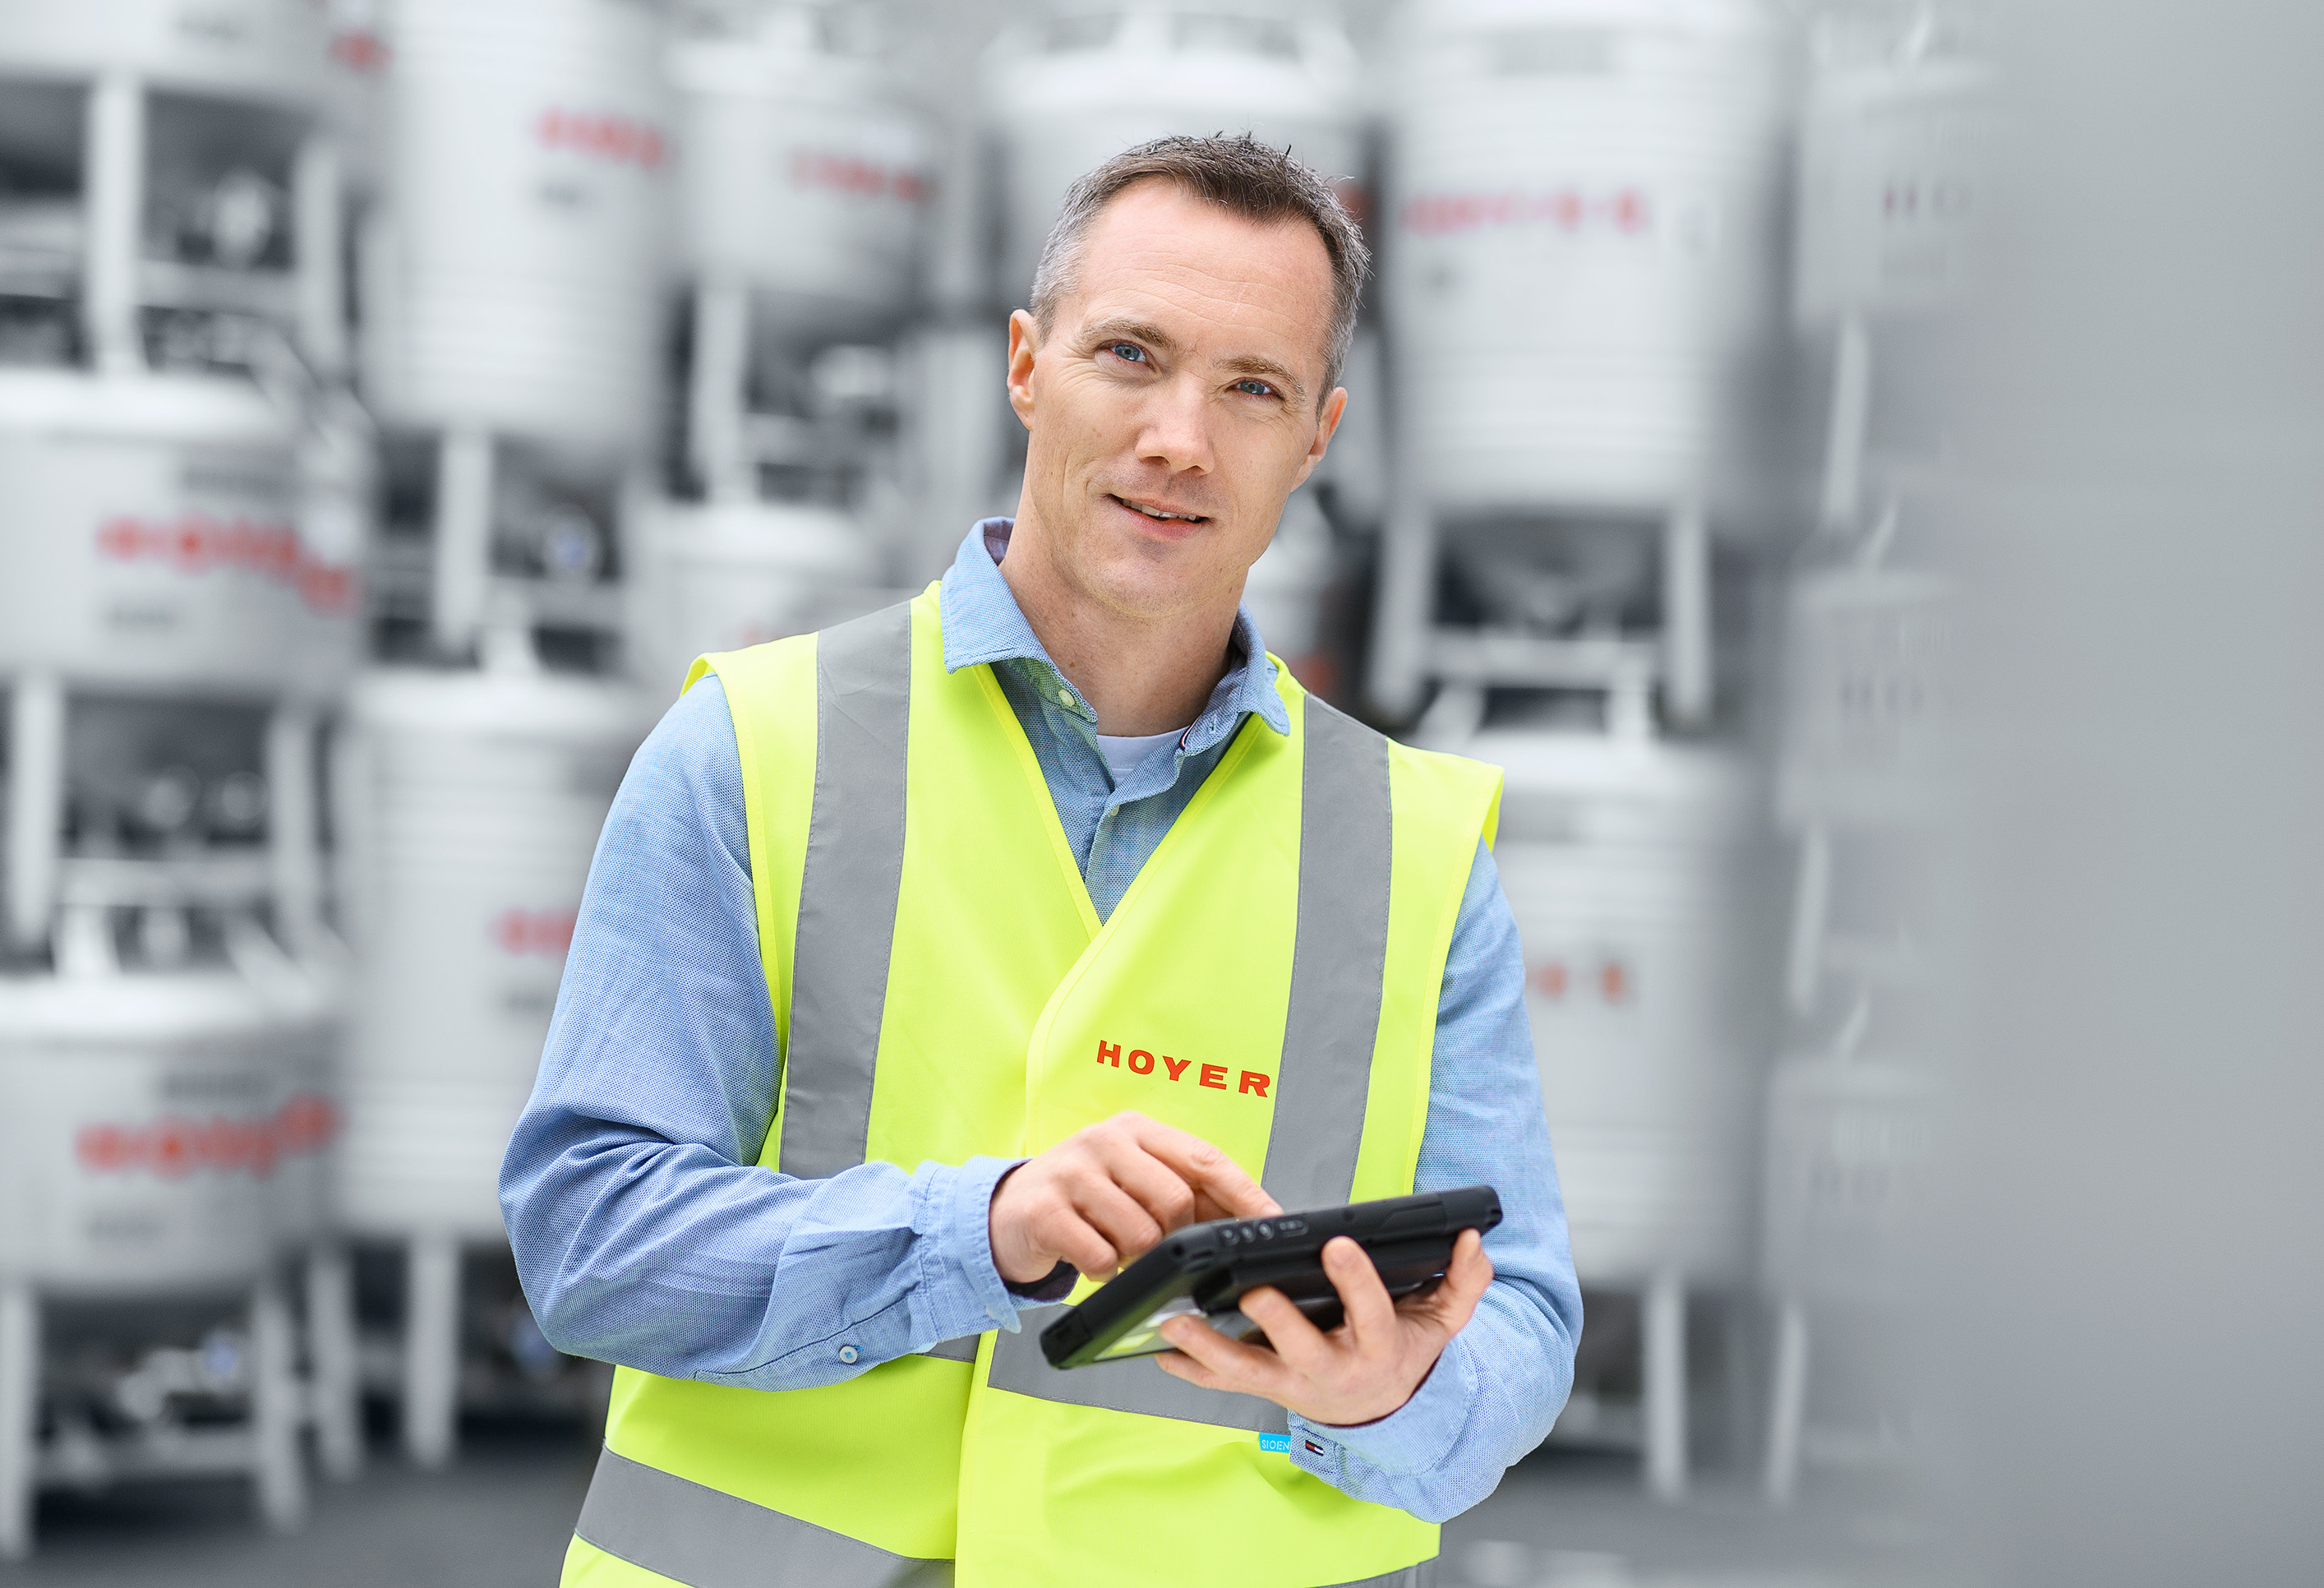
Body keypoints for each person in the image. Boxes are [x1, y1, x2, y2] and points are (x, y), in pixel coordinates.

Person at [502, 135, 1582, 1588]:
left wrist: (1394, 1395)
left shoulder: (1418, 849)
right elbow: (590, 1242)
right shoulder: (755, 748)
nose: (1180, 440)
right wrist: (983, 1231)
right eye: (1130, 355)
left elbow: (1518, 1317)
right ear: (1025, 366)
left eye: (1252, 389)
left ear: (1318, 437)